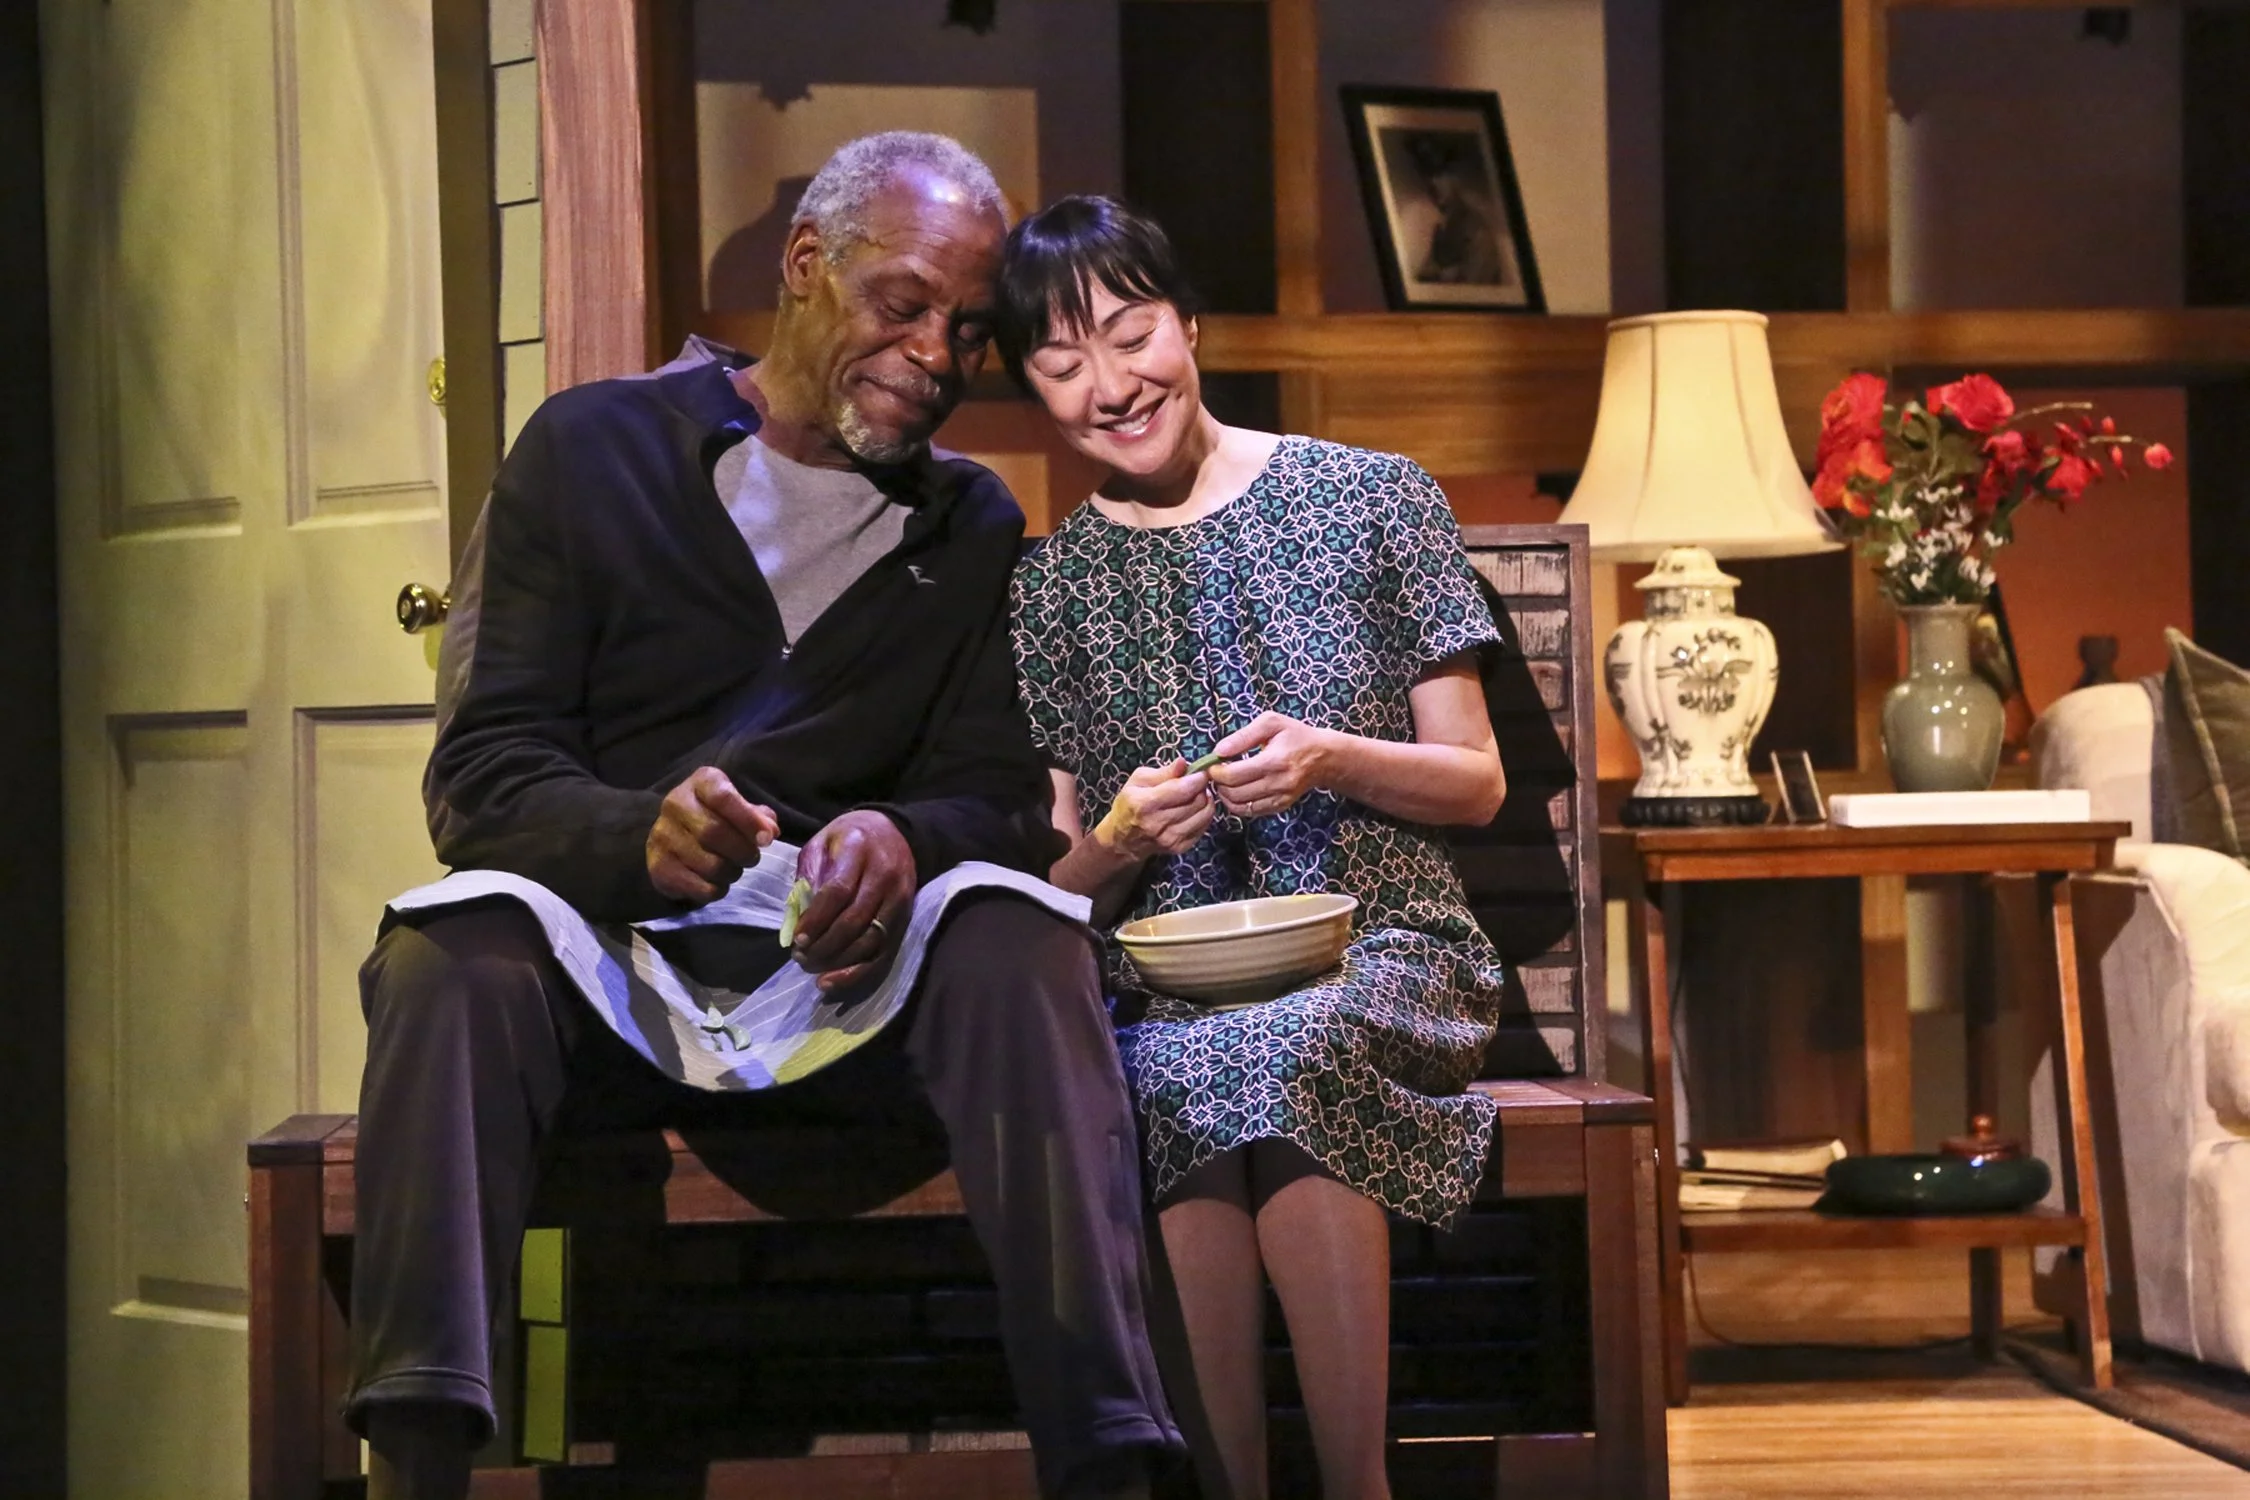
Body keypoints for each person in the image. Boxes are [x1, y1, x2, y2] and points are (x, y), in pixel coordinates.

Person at [348, 135, 1178, 1500]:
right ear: (806, 266)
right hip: (610, 971)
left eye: (967, 330)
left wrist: (906, 841)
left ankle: (1108, 1460)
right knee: (450, 951)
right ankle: (421, 1463)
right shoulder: (588, 450)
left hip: (838, 988)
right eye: (900, 303)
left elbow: (995, 801)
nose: (932, 353)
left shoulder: (966, 521)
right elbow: (482, 779)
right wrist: (635, 836)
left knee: (1025, 935)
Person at [1000, 197, 1510, 1500]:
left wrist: (1333, 756)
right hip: (1162, 970)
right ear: (1028, 391)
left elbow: (1477, 782)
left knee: (1280, 1043)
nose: (1111, 386)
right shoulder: (1048, 587)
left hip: (1383, 938)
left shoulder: (1370, 497)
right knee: (1163, 1066)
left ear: (1188, 326)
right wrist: (1116, 839)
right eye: (1062, 367)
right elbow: (1052, 883)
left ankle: (1357, 1485)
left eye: (1130, 336)